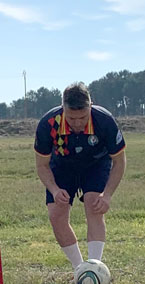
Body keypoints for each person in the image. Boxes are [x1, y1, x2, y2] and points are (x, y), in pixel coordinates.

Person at [34, 81, 126, 274]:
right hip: (62, 166)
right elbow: (42, 165)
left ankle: (94, 269)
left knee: (94, 205)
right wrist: (54, 189)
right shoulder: (48, 124)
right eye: (71, 118)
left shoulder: (104, 121)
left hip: (96, 164)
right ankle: (80, 271)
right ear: (63, 108)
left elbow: (119, 162)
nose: (77, 123)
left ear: (91, 106)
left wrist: (107, 195)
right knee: (56, 215)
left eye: (82, 117)